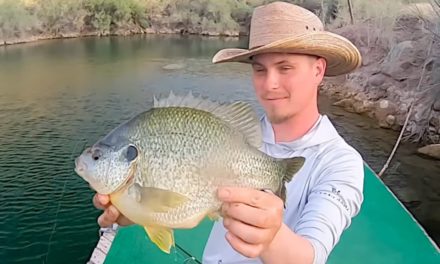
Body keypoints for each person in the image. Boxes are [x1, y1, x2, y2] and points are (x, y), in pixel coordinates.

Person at [93, 2, 365, 264]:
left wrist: (272, 237)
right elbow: (184, 195)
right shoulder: (235, 134)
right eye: (260, 70)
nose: (270, 84)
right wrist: (139, 210)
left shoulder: (340, 163)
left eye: (285, 68)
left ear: (318, 70)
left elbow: (312, 254)